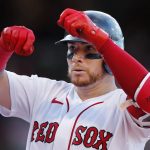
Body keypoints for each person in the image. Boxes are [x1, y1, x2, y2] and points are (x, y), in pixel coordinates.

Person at [0, 8, 150, 150]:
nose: (77, 58)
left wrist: (102, 42)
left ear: (111, 55)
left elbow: (146, 95)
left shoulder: (125, 106)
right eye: (72, 48)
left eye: (89, 49)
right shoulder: (44, 92)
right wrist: (3, 49)